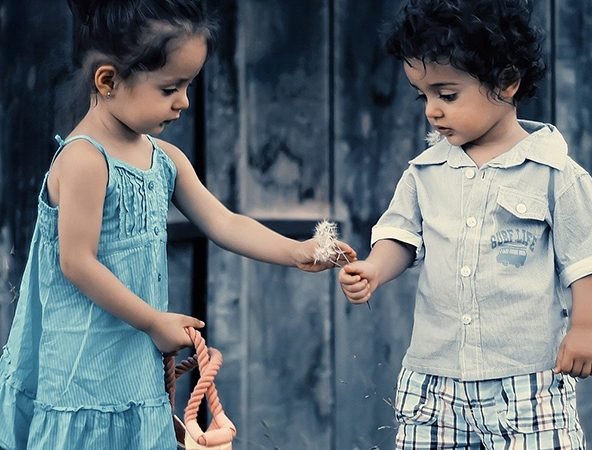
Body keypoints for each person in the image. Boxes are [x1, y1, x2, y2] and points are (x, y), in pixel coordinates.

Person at [0, 1, 356, 449]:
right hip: (82, 370)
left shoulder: (165, 160)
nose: (184, 102)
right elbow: (76, 262)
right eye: (171, 87)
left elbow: (223, 222)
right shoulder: (84, 160)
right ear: (108, 80)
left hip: (133, 368)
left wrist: (297, 250)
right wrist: (152, 321)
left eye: (187, 85)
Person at [339, 0, 592, 448]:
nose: (431, 111)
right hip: (434, 380)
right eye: (423, 96)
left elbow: (587, 259)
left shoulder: (556, 174)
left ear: (507, 82)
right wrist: (374, 269)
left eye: (447, 94)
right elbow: (401, 235)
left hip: (525, 383)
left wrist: (587, 327)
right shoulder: (424, 171)